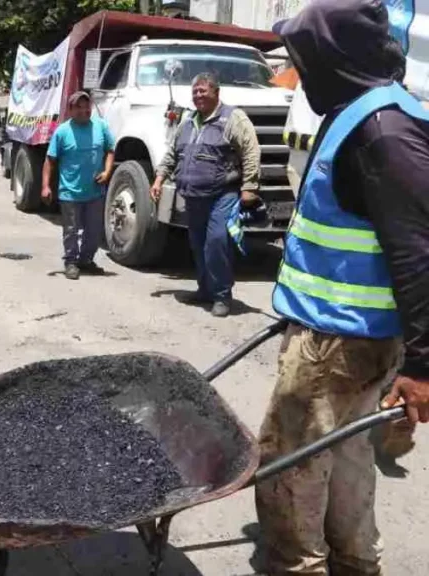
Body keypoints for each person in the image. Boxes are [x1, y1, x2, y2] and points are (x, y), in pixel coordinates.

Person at [256, 1, 429, 574]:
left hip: (337, 345)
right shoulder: (364, 112)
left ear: (335, 56)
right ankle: (355, 563)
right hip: (345, 334)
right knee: (349, 455)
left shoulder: (383, 133)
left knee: (290, 467)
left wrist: (423, 367)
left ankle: (298, 565)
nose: (299, 73)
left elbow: (419, 252)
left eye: (305, 60)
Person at [150, 74, 261, 317]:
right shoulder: (188, 121)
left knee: (216, 242)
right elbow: (172, 153)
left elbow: (251, 151)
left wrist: (250, 187)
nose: (198, 95)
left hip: (223, 194)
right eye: (195, 91)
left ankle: (222, 296)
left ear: (216, 93)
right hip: (193, 197)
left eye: (203, 90)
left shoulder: (233, 118)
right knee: (198, 245)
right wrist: (159, 178)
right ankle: (204, 290)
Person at [42, 91, 115, 280]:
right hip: (70, 192)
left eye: (86, 106)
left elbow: (110, 150)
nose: (84, 110)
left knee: (94, 230)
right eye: (79, 107)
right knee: (71, 230)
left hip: (95, 191)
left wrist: (107, 172)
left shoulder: (101, 126)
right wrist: (45, 186)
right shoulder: (63, 131)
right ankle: (71, 262)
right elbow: (50, 160)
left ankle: (86, 260)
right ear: (71, 110)